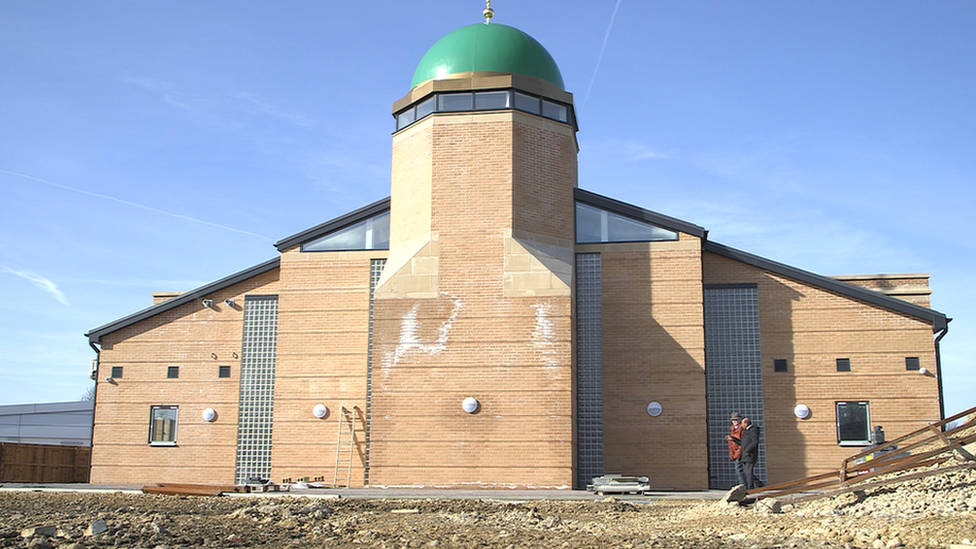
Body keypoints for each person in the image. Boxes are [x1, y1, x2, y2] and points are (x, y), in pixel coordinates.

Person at [725, 412, 747, 487]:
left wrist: (738, 451)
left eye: (736, 420)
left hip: (740, 452)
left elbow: (742, 441)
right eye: (733, 420)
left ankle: (743, 485)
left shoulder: (742, 429)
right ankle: (746, 484)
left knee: (739, 469)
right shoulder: (733, 429)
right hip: (734, 452)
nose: (735, 421)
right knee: (742, 469)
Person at [740, 417, 761, 489]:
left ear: (746, 423)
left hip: (750, 455)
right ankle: (759, 484)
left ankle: (750, 487)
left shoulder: (753, 430)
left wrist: (747, 450)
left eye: (742, 423)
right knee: (746, 472)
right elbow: (742, 443)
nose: (741, 425)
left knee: (749, 472)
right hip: (745, 455)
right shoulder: (746, 431)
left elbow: (754, 442)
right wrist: (733, 439)